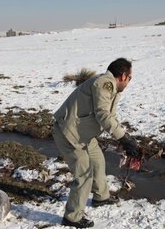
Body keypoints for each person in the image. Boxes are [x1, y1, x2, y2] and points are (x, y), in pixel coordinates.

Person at [52, 58, 140, 228]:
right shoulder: (103, 84)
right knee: (84, 174)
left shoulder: (113, 89)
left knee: (98, 161)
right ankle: (72, 216)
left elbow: (110, 116)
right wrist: (123, 138)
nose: (129, 81)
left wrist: (124, 138)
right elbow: (102, 115)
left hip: (84, 134)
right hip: (69, 133)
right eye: (130, 78)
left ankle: (101, 197)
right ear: (123, 76)